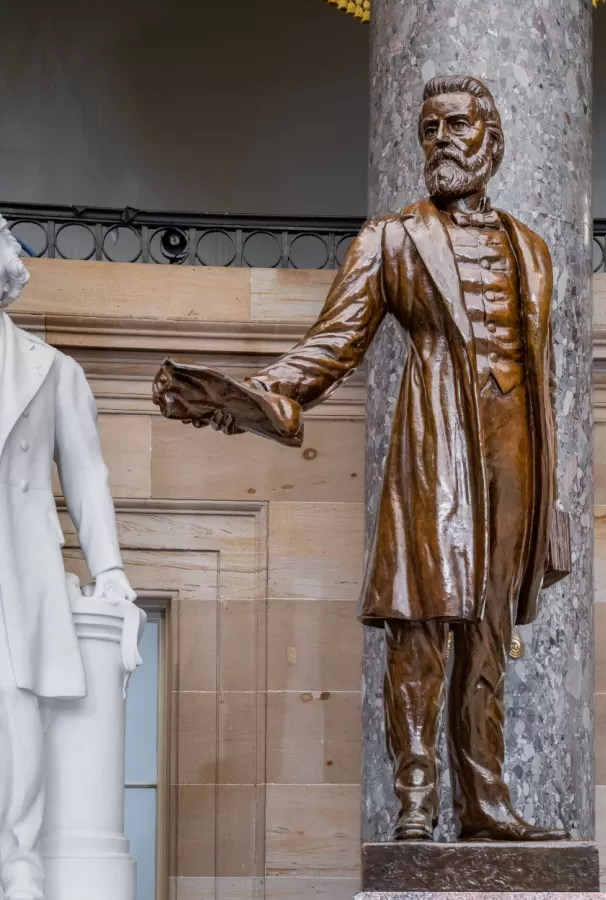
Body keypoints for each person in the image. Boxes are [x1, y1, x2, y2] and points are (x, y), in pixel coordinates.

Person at [153, 75, 567, 842]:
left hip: (515, 456)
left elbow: (545, 385)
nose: (440, 139)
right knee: (421, 623)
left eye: (457, 125)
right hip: (435, 441)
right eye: (428, 128)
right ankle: (416, 798)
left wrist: (555, 502)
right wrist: (263, 394)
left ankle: (486, 803)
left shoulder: (533, 251)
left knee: (487, 631)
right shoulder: (393, 238)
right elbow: (336, 341)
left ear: (493, 141)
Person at [0, 217, 136, 900]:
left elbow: (87, 478)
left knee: (15, 710)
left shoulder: (52, 371)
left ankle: (17, 863)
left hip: (16, 566)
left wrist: (109, 571)